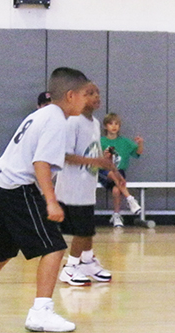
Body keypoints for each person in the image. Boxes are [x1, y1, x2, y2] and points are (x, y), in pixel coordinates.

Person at [0, 67, 93, 332]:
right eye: (86, 95)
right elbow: (40, 163)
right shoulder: (56, 121)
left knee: (2, 252)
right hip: (17, 187)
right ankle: (41, 312)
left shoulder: (43, 114)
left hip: (0, 183)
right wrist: (51, 201)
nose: (89, 100)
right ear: (71, 95)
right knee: (53, 246)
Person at [55, 82, 117, 287]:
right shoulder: (73, 122)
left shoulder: (95, 123)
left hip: (87, 185)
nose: (96, 96)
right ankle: (70, 267)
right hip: (72, 187)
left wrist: (104, 159)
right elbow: (65, 155)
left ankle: (88, 261)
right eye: (90, 93)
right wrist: (95, 161)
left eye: (97, 92)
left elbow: (92, 152)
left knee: (88, 228)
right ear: (77, 97)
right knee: (82, 230)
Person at [99, 113, 143, 227]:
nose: (114, 126)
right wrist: (105, 157)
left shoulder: (125, 141)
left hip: (119, 172)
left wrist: (140, 144)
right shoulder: (100, 141)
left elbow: (137, 153)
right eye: (110, 123)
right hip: (104, 172)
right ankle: (130, 198)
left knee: (116, 190)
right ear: (105, 126)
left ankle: (116, 215)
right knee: (113, 174)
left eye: (116, 124)